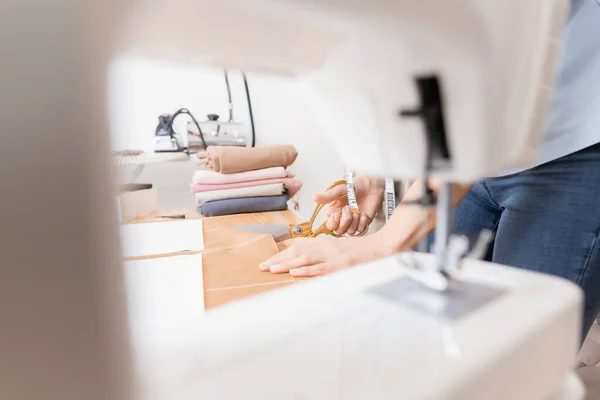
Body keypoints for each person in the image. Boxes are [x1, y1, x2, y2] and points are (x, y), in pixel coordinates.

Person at [259, 0, 600, 337]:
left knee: (525, 344)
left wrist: (382, 244)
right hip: (481, 150)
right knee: (429, 318)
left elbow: (487, 85)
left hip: (574, 140)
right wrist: (378, 172)